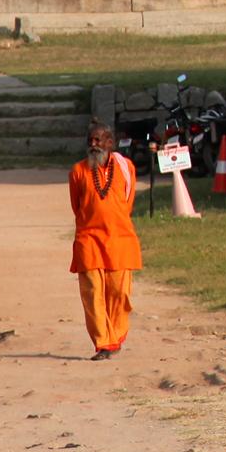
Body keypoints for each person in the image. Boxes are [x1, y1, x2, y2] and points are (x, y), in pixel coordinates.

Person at [68, 122, 142, 360]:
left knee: (119, 293)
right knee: (92, 294)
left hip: (120, 238)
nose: (93, 145)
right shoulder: (78, 171)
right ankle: (104, 343)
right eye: (90, 140)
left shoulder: (125, 167)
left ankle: (116, 336)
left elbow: (127, 202)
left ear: (110, 143)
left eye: (98, 140)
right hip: (89, 239)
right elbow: (77, 206)